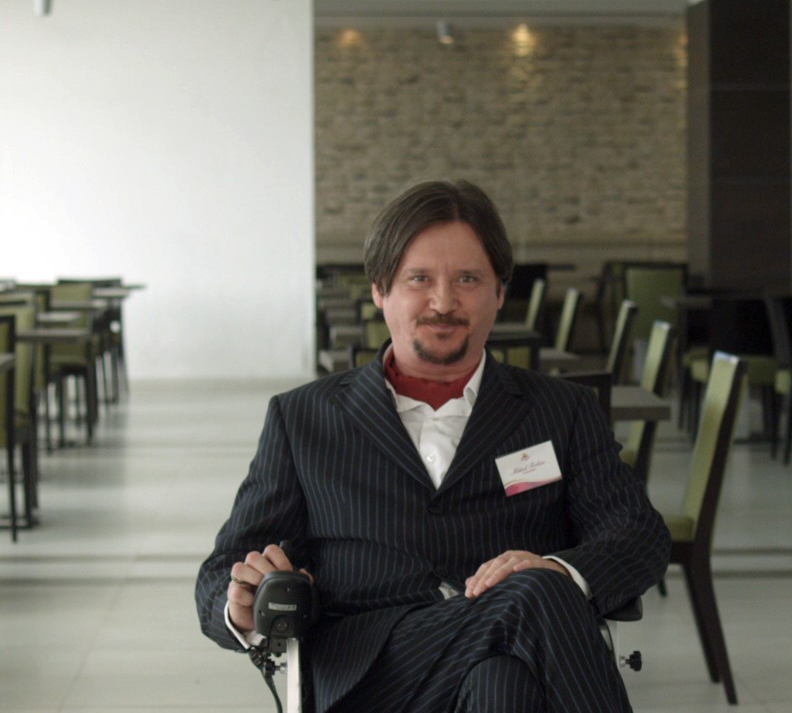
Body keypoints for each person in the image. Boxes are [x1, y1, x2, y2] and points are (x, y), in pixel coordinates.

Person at [195, 179, 669, 713]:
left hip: (508, 662)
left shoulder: (562, 410)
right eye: (419, 279)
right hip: (368, 677)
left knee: (503, 680)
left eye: (468, 279)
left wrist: (563, 569)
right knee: (534, 593)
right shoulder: (304, 418)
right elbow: (221, 570)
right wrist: (239, 604)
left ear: (499, 292)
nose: (444, 302)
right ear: (380, 290)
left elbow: (639, 534)